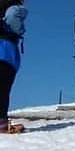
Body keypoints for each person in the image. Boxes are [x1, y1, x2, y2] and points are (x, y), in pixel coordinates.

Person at [0, 0, 26, 134]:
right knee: (3, 87)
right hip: (5, 49)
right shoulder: (14, 8)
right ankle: (1, 123)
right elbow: (14, 22)